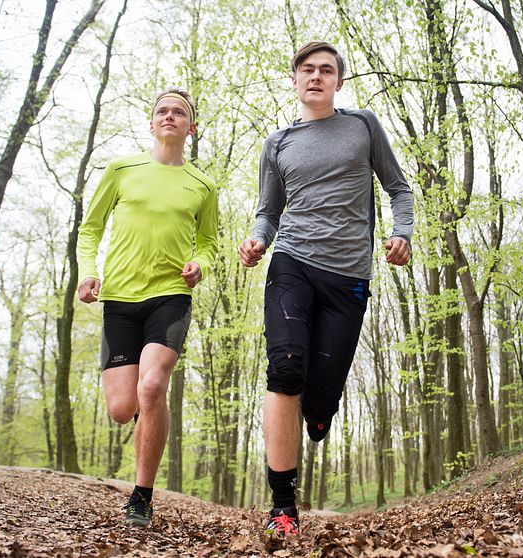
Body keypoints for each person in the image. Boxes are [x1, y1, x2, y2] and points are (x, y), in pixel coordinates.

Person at [238, 41, 413, 537]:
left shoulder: (363, 126)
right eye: (307, 70)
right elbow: (268, 211)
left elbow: (399, 188)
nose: (316, 77)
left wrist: (402, 233)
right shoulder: (277, 143)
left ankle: (319, 413)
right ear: (294, 80)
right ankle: (283, 505)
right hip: (292, 260)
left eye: (326, 70)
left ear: (338, 81)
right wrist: (257, 240)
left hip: (348, 275)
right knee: (285, 366)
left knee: (319, 400)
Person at [77, 87, 218, 528]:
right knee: (122, 409)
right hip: (119, 297)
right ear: (151, 122)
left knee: (153, 386)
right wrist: (87, 272)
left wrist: (203, 265)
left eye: (179, 113)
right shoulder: (122, 170)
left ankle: (141, 495)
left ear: (191, 128)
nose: (170, 117)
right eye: (163, 111)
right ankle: (142, 410)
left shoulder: (202, 185)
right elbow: (90, 228)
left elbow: (210, 243)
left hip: (170, 297)